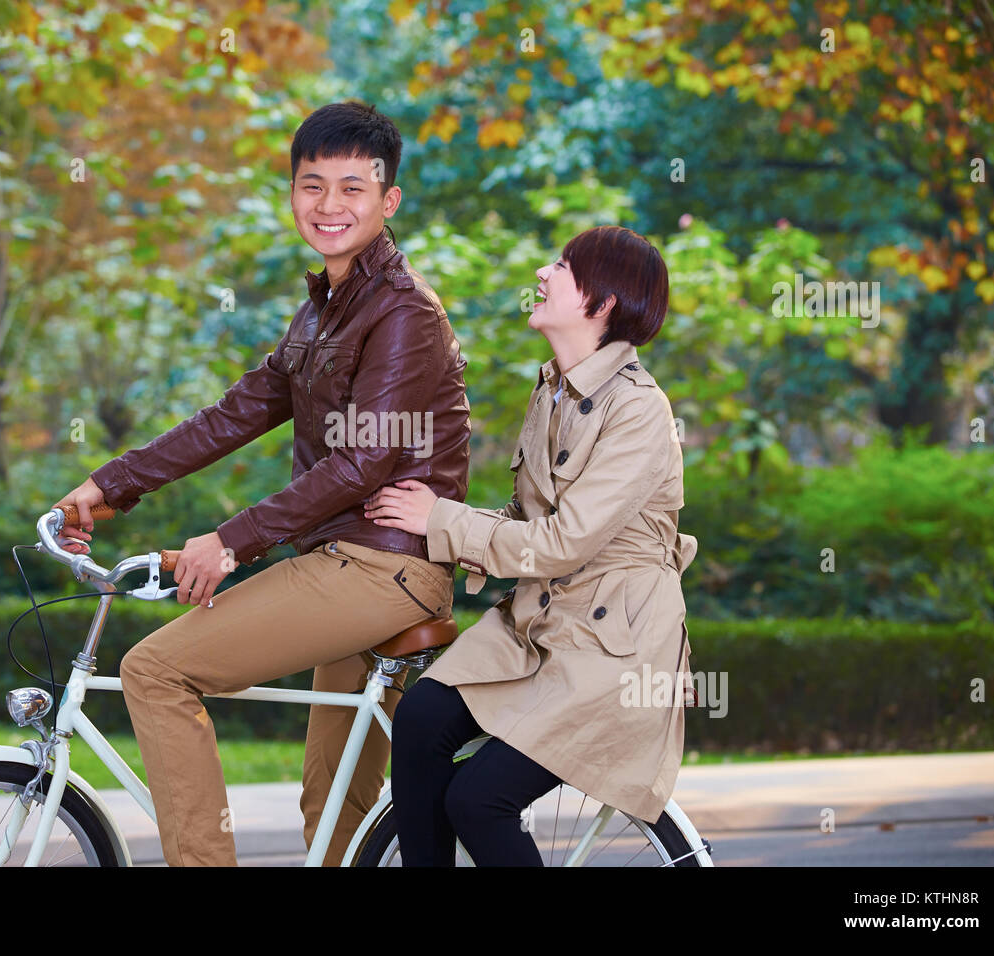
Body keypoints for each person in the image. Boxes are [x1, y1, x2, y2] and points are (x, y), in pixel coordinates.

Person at [53, 102, 471, 866]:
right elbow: (233, 414)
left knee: (155, 670)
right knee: (332, 814)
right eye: (312, 186)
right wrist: (108, 485)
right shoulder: (322, 312)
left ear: (389, 200)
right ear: (291, 195)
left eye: (352, 188)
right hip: (348, 563)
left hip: (385, 565)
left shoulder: (404, 312)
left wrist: (231, 542)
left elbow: (360, 464)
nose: (329, 206)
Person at [363, 224, 697, 866]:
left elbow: (564, 542)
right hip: (541, 625)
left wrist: (444, 519)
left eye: (564, 266)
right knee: (422, 718)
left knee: (478, 800)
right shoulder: (553, 390)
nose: (543, 272)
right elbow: (522, 518)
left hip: (611, 651)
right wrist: (421, 520)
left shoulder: (640, 412)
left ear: (600, 304)